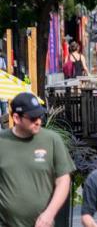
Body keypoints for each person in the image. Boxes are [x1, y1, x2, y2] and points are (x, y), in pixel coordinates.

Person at [0, 92, 75, 227]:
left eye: (40, 116)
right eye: (33, 118)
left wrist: (49, 213)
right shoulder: (2, 142)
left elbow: (64, 179)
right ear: (16, 118)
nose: (38, 121)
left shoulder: (52, 140)